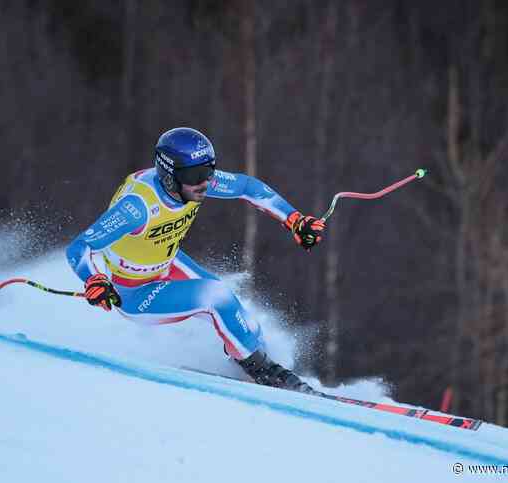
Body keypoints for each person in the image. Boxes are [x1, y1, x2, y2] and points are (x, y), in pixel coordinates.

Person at [66, 127, 326, 393]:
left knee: (244, 322)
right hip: (133, 291)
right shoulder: (137, 208)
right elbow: (79, 247)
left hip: (167, 262)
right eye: (195, 175)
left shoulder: (193, 184)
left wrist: (294, 219)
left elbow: (247, 187)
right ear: (169, 176)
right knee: (216, 296)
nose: (205, 182)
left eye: (209, 171)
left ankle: (260, 365)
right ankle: (264, 372)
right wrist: (94, 279)